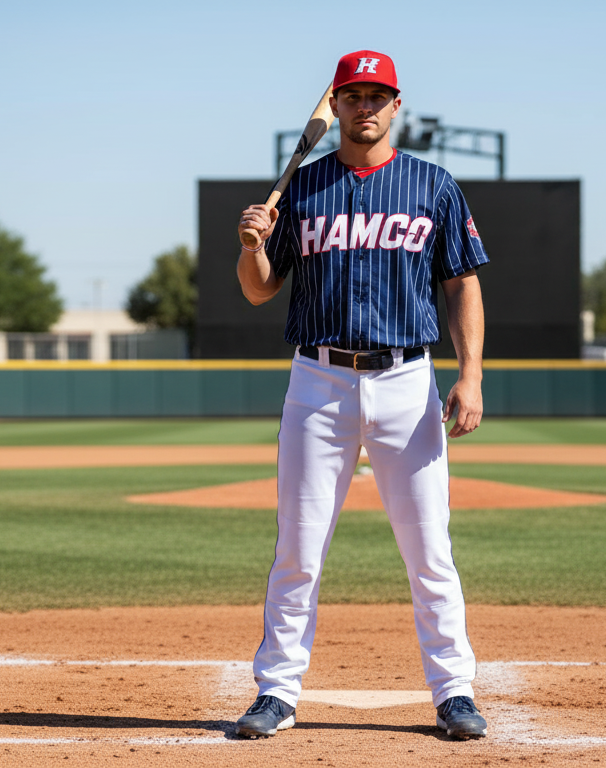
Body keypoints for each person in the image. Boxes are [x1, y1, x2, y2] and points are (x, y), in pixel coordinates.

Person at [233, 49, 489, 741]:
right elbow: (259, 290)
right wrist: (252, 246)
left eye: (378, 95)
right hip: (317, 383)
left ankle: (454, 691)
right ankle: (276, 691)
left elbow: (462, 282)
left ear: (396, 105)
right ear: (338, 104)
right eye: (353, 95)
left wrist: (470, 374)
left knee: (429, 549)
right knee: (298, 550)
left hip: (406, 380)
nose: (364, 106)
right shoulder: (302, 188)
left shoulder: (433, 186)